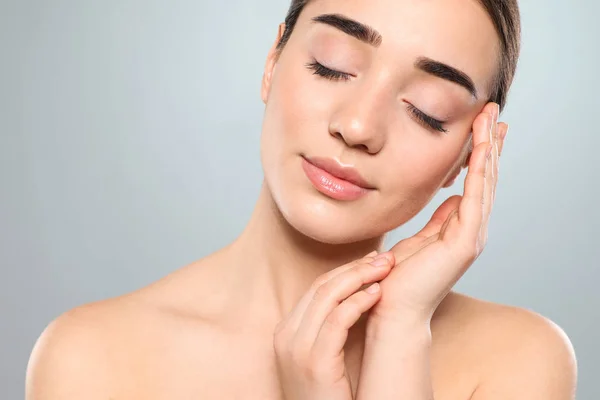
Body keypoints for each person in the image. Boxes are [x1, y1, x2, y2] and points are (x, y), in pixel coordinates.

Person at [25, 0, 577, 398]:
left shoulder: (518, 360)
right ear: (273, 60)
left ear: (470, 152)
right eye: (332, 66)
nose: (359, 126)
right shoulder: (91, 359)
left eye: (427, 109)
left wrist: (399, 331)